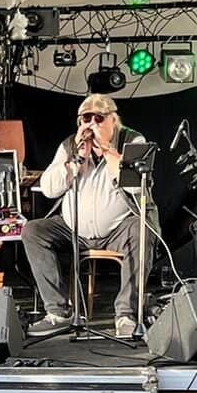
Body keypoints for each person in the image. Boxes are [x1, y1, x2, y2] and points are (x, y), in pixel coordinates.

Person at [23, 93, 150, 340]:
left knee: (141, 227)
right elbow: (49, 188)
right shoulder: (69, 145)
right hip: (74, 229)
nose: (91, 124)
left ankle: (126, 314)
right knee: (33, 231)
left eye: (98, 118)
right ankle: (58, 312)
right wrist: (77, 159)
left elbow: (135, 186)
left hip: (118, 229)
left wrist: (107, 149)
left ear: (113, 120)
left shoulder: (132, 140)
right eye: (85, 119)